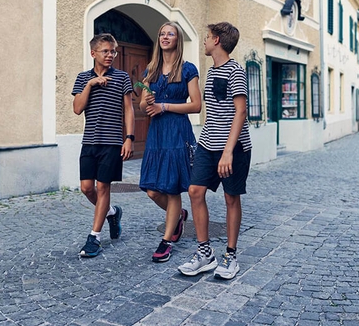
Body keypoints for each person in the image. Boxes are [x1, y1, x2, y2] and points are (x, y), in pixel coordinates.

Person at [177, 22, 252, 280]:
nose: (205, 41)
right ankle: (205, 253)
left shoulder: (236, 72)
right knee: (194, 191)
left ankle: (230, 256)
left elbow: (240, 112)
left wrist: (228, 151)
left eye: (207, 37)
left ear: (217, 40)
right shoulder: (211, 71)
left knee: (231, 198)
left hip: (234, 147)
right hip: (208, 144)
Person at [139, 21, 202, 263]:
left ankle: (166, 242)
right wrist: (148, 102)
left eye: (171, 34)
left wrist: (164, 105)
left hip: (177, 132)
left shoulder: (188, 69)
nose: (165, 37)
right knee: (153, 190)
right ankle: (178, 216)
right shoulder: (150, 70)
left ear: (178, 39)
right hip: (156, 134)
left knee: (172, 187)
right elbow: (144, 105)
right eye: (162, 33)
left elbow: (196, 105)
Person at [72, 33, 135, 257]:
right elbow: (77, 108)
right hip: (89, 141)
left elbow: (128, 108)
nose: (110, 55)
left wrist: (129, 137)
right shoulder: (82, 78)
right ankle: (111, 213)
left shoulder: (122, 77)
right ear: (93, 53)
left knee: (103, 187)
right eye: (106, 51)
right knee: (87, 188)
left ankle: (94, 238)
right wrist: (90, 84)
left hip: (111, 142)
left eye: (113, 51)